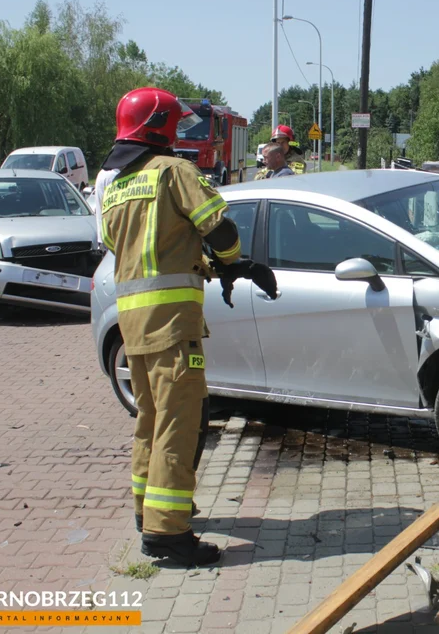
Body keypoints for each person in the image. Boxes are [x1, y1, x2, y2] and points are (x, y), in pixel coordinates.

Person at [100, 86, 278, 566]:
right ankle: (168, 534)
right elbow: (218, 228)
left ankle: (147, 511)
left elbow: (136, 247)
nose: (180, 130)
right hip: (173, 325)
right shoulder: (175, 172)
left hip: (132, 326)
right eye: (176, 123)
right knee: (181, 425)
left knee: (150, 421)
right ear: (161, 126)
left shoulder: (116, 187)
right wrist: (232, 263)